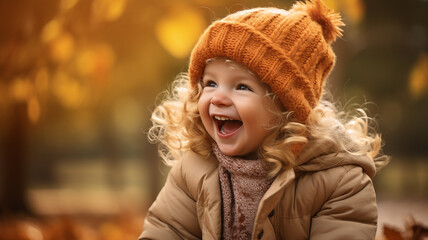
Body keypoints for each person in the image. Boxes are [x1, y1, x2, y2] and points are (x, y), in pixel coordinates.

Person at [140, 0, 389, 239]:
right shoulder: (194, 168)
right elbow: (167, 230)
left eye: (242, 87)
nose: (218, 98)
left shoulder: (338, 182)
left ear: (287, 108)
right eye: (210, 83)